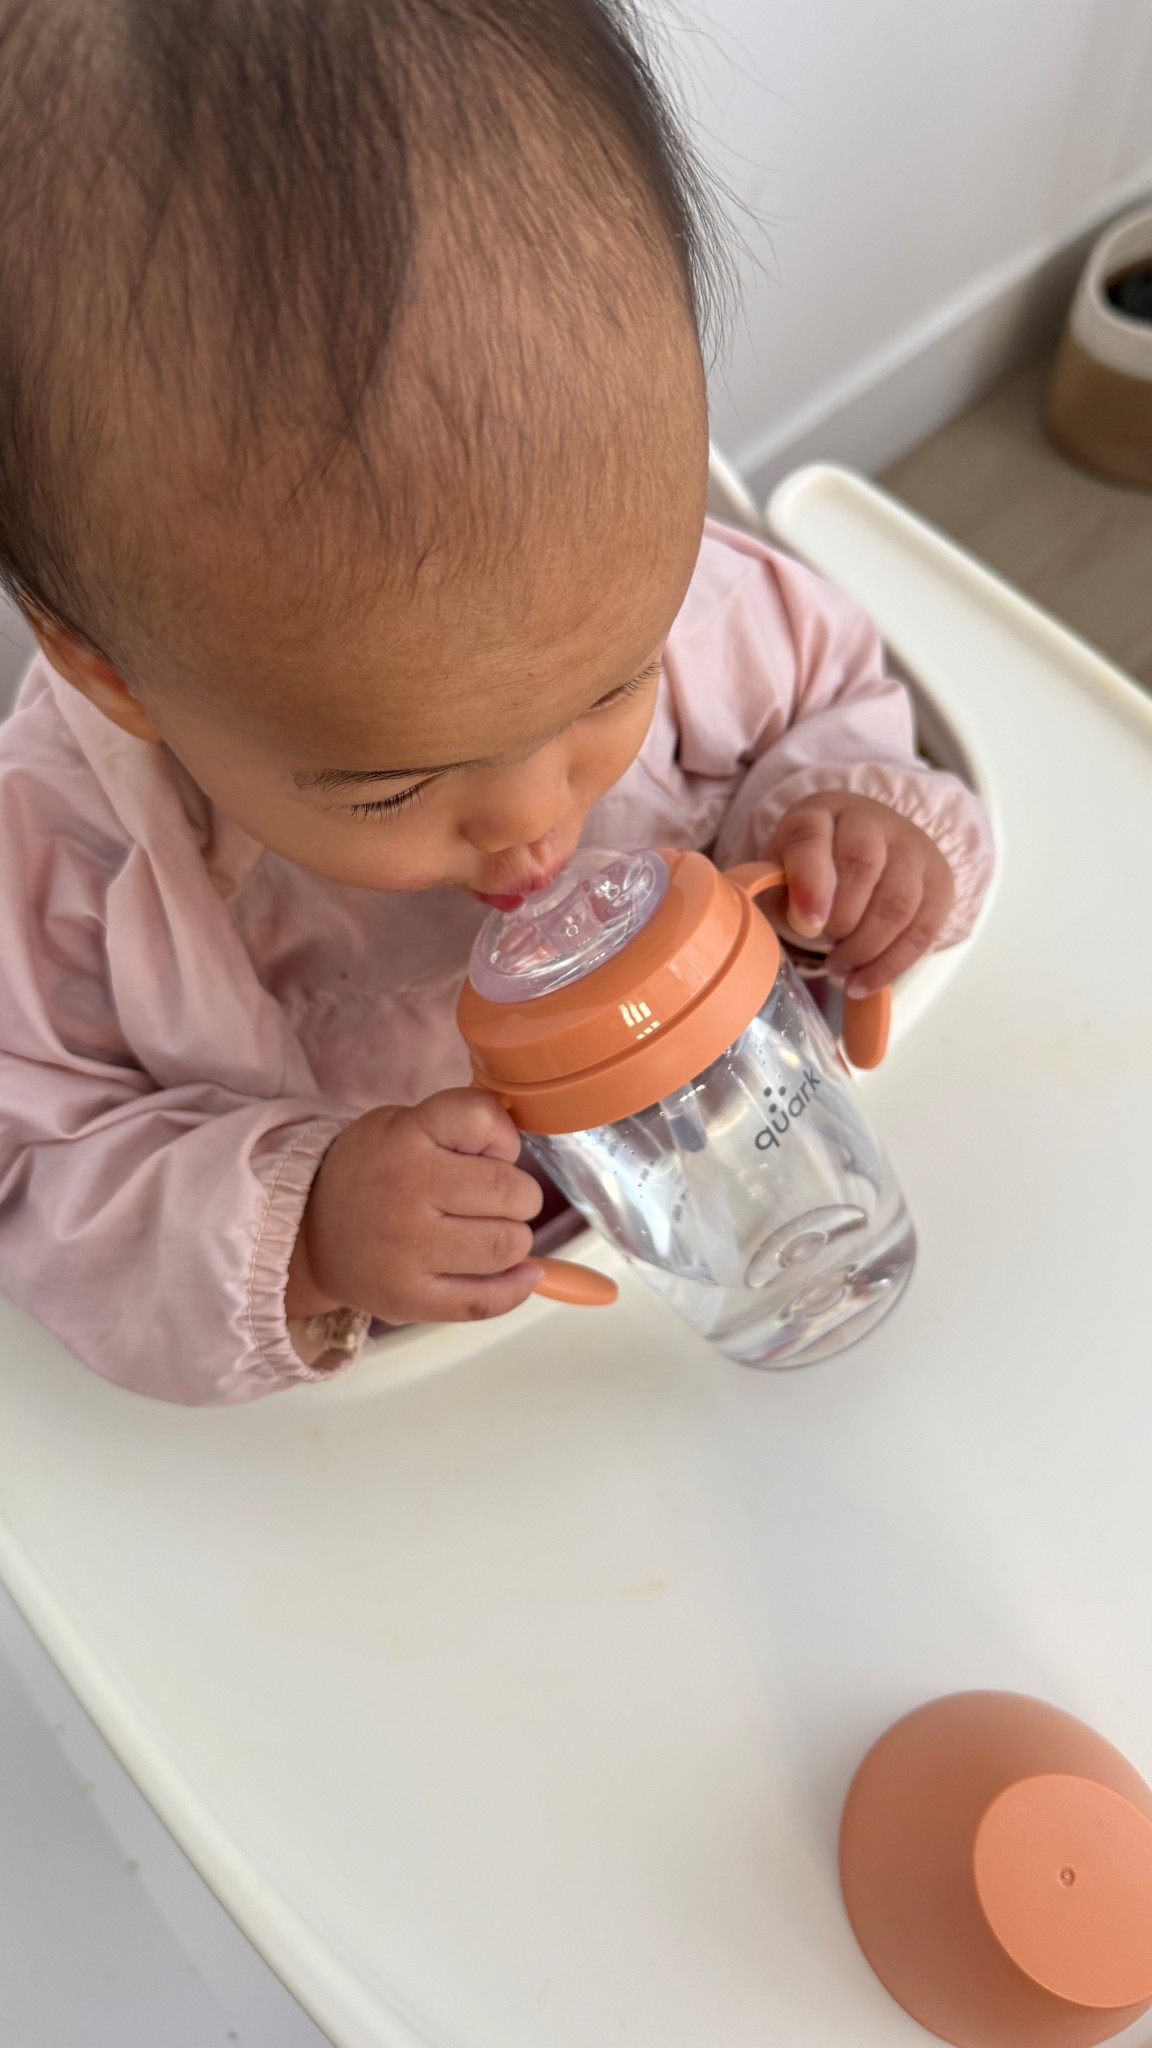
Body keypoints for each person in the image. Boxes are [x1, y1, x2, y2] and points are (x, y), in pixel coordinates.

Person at [0, 0, 992, 1403]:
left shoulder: (669, 589)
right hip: (454, 1395)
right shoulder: (58, 867)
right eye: (395, 785)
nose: (537, 832)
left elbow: (835, 698)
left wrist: (850, 827)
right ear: (112, 671)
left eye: (607, 690)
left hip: (751, 1191)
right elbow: (48, 1186)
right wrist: (312, 1229)